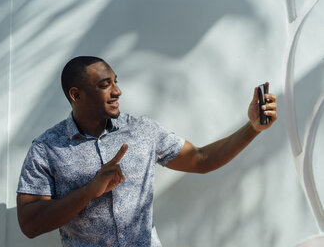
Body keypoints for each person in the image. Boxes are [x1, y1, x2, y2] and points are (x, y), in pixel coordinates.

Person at [16, 56, 277, 247]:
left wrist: (252, 128)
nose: (117, 91)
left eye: (115, 82)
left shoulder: (142, 130)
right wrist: (88, 192)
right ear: (76, 94)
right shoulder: (46, 148)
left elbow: (201, 159)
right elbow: (30, 224)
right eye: (105, 84)